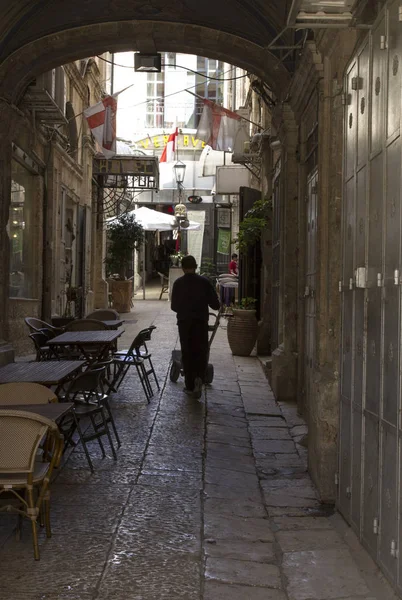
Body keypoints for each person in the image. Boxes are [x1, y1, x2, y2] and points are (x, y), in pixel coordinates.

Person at [171, 255, 220, 399]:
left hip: (185, 322)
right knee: (201, 350)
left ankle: (190, 385)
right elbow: (215, 305)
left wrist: (185, 309)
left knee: (187, 352)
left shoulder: (178, 283)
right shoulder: (204, 282)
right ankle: (200, 377)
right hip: (200, 322)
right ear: (196, 266)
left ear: (182, 268)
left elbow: (174, 306)